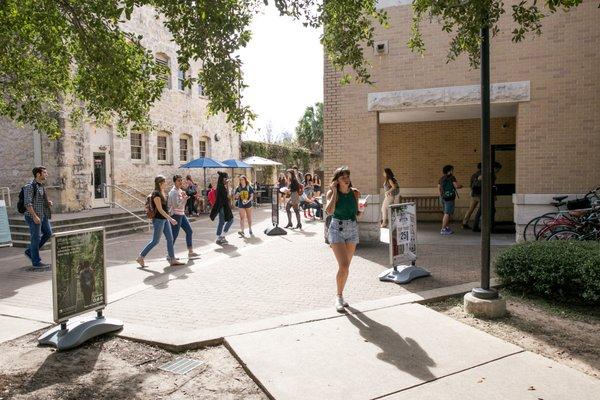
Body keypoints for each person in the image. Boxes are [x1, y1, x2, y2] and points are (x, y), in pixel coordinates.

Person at [325, 166, 364, 312]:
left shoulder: (355, 193)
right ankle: (339, 297)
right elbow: (329, 211)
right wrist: (335, 192)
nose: (346, 180)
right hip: (336, 229)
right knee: (343, 265)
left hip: (352, 228)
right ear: (337, 181)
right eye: (343, 178)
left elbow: (357, 213)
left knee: (346, 267)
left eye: (347, 177)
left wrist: (361, 209)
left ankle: (341, 294)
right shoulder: (332, 193)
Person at [137, 175, 184, 267]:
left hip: (164, 219)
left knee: (170, 239)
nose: (165, 184)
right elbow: (160, 210)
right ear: (160, 183)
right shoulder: (156, 194)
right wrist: (170, 219)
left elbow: (165, 208)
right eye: (164, 182)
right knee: (155, 241)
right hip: (159, 220)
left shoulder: (162, 192)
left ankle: (172, 259)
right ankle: (141, 257)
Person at [23, 166, 53, 270]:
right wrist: (35, 216)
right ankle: (36, 262)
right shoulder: (29, 186)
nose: (46, 174)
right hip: (33, 216)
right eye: (44, 172)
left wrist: (47, 202)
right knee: (35, 238)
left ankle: (30, 251)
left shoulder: (41, 185)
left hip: (42, 214)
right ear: (38, 174)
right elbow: (27, 203)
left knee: (48, 233)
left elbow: (39, 199)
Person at [168, 175, 199, 258]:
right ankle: (169, 254)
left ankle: (190, 252)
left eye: (181, 180)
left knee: (189, 231)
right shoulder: (173, 192)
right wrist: (184, 199)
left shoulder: (180, 190)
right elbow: (175, 205)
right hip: (176, 215)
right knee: (174, 235)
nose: (180, 182)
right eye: (178, 180)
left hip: (182, 214)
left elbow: (183, 205)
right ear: (174, 182)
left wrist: (185, 198)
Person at [473, 161, 502, 232]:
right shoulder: (487, 173)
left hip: (485, 194)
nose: (498, 171)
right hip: (485, 194)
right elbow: (481, 180)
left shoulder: (488, 174)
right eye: (498, 169)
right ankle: (486, 226)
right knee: (485, 210)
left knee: (483, 210)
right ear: (494, 168)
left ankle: (477, 226)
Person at [438, 165, 463, 235]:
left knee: (446, 213)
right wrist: (461, 185)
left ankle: (446, 227)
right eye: (452, 170)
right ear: (449, 171)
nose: (452, 171)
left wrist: (442, 196)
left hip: (443, 198)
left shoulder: (441, 178)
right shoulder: (452, 178)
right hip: (449, 198)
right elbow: (456, 186)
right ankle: (443, 229)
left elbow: (439, 187)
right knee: (447, 213)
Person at [210, 172, 234, 244]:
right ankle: (222, 236)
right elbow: (227, 196)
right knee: (230, 220)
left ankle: (219, 237)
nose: (226, 180)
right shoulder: (221, 187)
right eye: (225, 178)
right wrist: (227, 185)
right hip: (223, 207)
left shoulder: (220, 186)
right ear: (222, 179)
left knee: (221, 222)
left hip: (221, 207)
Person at [462, 163, 482, 229]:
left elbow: (471, 185)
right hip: (480, 194)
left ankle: (464, 223)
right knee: (482, 209)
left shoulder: (474, 175)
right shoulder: (482, 175)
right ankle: (478, 224)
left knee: (470, 209)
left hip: (474, 194)